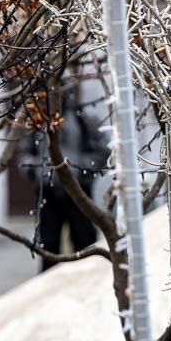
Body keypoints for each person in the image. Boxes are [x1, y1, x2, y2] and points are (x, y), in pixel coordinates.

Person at [20, 89, 109, 271]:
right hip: (48, 192)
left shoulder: (83, 118)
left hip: (79, 191)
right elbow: (24, 157)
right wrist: (40, 171)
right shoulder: (37, 120)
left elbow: (102, 152)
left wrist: (78, 169)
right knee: (48, 248)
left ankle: (89, 285)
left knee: (85, 244)